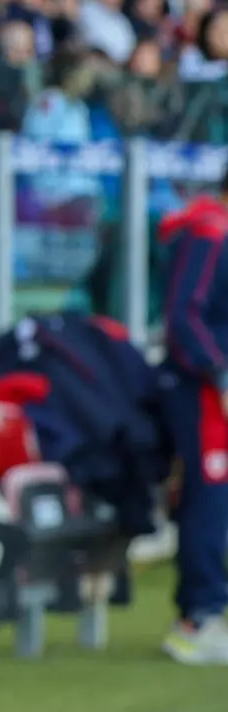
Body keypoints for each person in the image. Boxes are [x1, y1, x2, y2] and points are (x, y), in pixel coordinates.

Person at [157, 186, 228, 664]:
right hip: (203, 391)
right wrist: (220, 372)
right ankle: (196, 618)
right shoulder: (208, 233)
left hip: (210, 386)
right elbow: (183, 315)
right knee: (209, 497)